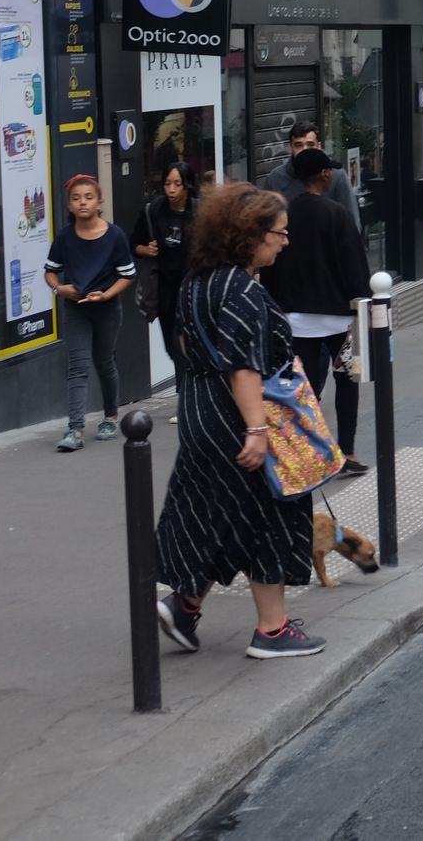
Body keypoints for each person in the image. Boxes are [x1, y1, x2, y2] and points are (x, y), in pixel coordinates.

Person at [154, 183, 326, 660]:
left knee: (220, 511)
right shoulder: (242, 290)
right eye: (279, 233)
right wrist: (257, 428)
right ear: (251, 235)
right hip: (237, 416)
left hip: (199, 409)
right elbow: (242, 365)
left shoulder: (198, 281)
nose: (285, 241)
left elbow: (187, 347)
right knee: (272, 513)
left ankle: (185, 608)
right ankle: (272, 631)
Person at [259, 148, 372, 477]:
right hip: (338, 319)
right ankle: (346, 450)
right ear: (324, 175)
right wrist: (363, 304)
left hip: (296, 321)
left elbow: (272, 268)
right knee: (347, 382)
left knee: (302, 389)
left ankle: (305, 454)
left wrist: (276, 309)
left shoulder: (287, 215)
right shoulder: (337, 214)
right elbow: (355, 267)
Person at [46, 174, 138, 450]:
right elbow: (50, 271)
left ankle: (110, 416)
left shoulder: (115, 236)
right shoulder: (64, 237)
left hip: (107, 308)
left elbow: (128, 274)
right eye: (76, 199)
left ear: (99, 202)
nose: (82, 203)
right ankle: (74, 429)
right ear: (69, 206)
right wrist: (61, 290)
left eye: (88, 197)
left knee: (104, 361)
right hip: (76, 308)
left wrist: (107, 294)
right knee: (78, 366)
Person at [133, 161, 200, 378]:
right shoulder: (153, 210)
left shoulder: (200, 211)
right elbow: (134, 243)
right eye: (167, 183)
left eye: (177, 184)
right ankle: (186, 387)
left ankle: (185, 395)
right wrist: (146, 249)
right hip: (164, 290)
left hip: (192, 288)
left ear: (187, 185)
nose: (171, 189)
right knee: (172, 348)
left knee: (187, 344)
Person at [260, 122, 360, 229]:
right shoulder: (275, 179)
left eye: (310, 145)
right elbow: (267, 226)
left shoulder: (336, 175)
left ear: (319, 146)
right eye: (298, 145)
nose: (305, 150)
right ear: (290, 148)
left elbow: (352, 222)